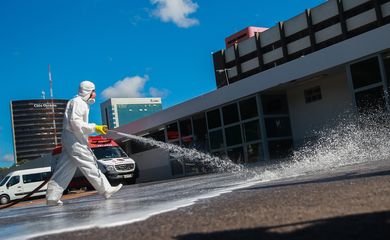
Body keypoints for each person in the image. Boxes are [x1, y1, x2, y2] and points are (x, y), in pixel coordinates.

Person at [46, 81, 122, 206]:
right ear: (88, 91)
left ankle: (52, 197)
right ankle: (106, 189)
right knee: (89, 162)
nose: (95, 95)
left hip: (71, 137)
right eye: (94, 91)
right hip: (74, 139)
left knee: (65, 168)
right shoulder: (78, 103)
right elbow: (75, 124)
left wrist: (94, 128)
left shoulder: (79, 103)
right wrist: (95, 127)